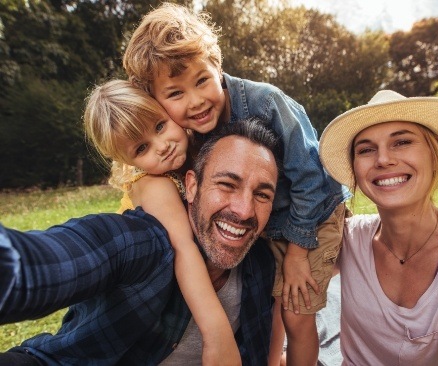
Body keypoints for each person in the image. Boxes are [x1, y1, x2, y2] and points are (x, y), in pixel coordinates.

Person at [122, 4, 351, 364]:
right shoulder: (181, 134)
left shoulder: (266, 102)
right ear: (157, 100)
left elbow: (314, 176)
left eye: (201, 80)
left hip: (313, 216)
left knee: (295, 308)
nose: (195, 101)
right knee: (268, 303)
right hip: (262, 220)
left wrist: (297, 252)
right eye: (175, 93)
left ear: (218, 65)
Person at [0, 118, 280, 365]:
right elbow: (41, 264)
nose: (244, 210)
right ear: (192, 185)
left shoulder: (261, 267)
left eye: (262, 195)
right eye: (227, 185)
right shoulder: (140, 243)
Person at [318, 89, 438, 365]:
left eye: (402, 142)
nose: (383, 159)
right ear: (355, 172)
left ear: (435, 156)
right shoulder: (347, 237)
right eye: (366, 149)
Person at [83, 79, 240, 364]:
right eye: (141, 149)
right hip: (139, 300)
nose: (162, 146)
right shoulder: (153, 184)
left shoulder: (197, 149)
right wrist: (218, 335)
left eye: (159, 126)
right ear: (125, 160)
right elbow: (183, 250)